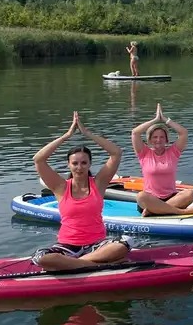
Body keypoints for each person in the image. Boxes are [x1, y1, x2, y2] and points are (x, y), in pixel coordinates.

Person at [32, 112, 129, 272]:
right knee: (41, 257)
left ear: (90, 164)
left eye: (84, 163)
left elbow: (116, 153)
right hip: (68, 246)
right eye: (75, 163)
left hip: (97, 245)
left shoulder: (98, 184)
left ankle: (74, 264)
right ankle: (98, 265)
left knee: (124, 243)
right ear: (68, 165)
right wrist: (66, 135)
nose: (79, 167)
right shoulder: (61, 187)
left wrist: (87, 133)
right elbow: (39, 159)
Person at [131, 103, 193, 216]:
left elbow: (183, 133)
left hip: (171, 198)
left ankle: (155, 212)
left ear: (166, 139)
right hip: (151, 200)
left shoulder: (173, 152)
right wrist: (155, 120)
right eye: (155, 137)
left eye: (162, 137)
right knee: (141, 196)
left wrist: (165, 120)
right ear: (150, 140)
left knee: (191, 193)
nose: (158, 140)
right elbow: (135, 133)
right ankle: (178, 211)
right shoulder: (144, 153)